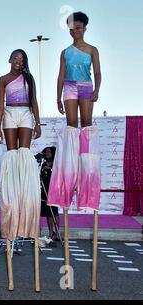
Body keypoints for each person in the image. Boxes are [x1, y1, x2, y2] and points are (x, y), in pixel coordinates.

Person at [0, 49, 42, 292]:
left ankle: (25, 190)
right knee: (12, 153)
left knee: (24, 153)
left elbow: (34, 101)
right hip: (9, 113)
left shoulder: (29, 79)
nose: (18, 61)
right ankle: (12, 189)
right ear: (9, 60)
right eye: (15, 58)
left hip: (25, 112)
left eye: (22, 59)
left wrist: (38, 120)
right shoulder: (3, 80)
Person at [48, 11, 102, 212]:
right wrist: (57, 97)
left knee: (86, 124)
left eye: (78, 28)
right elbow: (60, 76)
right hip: (69, 87)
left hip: (86, 85)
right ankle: (70, 161)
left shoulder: (92, 50)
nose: (75, 31)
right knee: (71, 126)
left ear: (85, 28)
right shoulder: (65, 52)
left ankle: (86, 161)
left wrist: (96, 89)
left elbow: (97, 72)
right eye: (72, 28)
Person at [40, 146, 60, 241]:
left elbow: (58, 175)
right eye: (46, 152)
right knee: (48, 212)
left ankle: (57, 232)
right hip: (45, 189)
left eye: (49, 152)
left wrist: (50, 169)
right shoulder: (43, 164)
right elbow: (41, 176)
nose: (47, 153)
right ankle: (50, 232)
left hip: (54, 189)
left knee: (54, 211)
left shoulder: (56, 164)